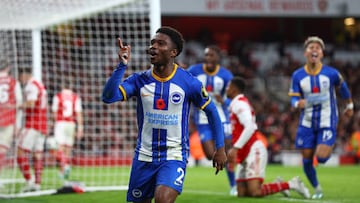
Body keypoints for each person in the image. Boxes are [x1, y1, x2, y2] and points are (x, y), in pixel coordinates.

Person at [102, 26, 227, 203]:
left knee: (163, 200)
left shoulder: (189, 82)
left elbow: (212, 112)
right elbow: (108, 97)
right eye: (153, 43)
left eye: (161, 44)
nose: (154, 47)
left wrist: (220, 148)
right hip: (144, 156)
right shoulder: (139, 80)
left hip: (173, 155)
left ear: (173, 52)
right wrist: (121, 66)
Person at [288, 36, 354, 199]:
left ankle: (327, 145)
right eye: (311, 48)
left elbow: (343, 88)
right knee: (306, 160)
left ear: (322, 54)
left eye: (317, 48)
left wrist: (350, 105)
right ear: (305, 53)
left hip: (327, 119)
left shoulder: (331, 73)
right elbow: (293, 98)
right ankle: (317, 188)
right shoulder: (297, 75)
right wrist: (297, 104)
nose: (314, 50)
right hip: (307, 122)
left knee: (322, 157)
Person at [226, 76, 310, 198]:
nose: (226, 89)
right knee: (242, 194)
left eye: (228, 87)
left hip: (253, 150)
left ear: (234, 89)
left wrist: (235, 148)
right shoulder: (236, 104)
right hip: (244, 151)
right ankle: (277, 184)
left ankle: (292, 184)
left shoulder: (240, 104)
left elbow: (250, 127)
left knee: (255, 192)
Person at [187, 45, 236, 195]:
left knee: (226, 152)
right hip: (202, 119)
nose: (208, 58)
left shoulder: (226, 75)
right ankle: (236, 170)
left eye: (211, 55)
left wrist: (225, 101)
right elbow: (183, 81)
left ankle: (234, 184)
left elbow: (234, 97)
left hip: (222, 118)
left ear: (218, 58)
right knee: (210, 155)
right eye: (206, 55)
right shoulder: (194, 70)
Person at [17, 67, 48, 192]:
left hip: (33, 124)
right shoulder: (39, 84)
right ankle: (37, 184)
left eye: (20, 77)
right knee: (38, 155)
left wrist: (17, 106)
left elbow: (31, 103)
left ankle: (29, 181)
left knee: (20, 152)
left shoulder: (31, 85)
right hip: (42, 124)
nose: (20, 80)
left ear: (24, 75)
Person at [51, 79, 84, 180]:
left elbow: (54, 113)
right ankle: (63, 171)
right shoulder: (75, 97)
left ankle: (64, 167)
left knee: (59, 148)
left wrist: (53, 124)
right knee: (68, 150)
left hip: (60, 123)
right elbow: (78, 114)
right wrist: (80, 128)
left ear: (62, 86)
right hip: (71, 124)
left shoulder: (58, 96)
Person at [0, 59, 23, 183]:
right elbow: (19, 103)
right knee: (2, 150)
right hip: (7, 120)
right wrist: (17, 125)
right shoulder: (13, 82)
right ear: (8, 68)